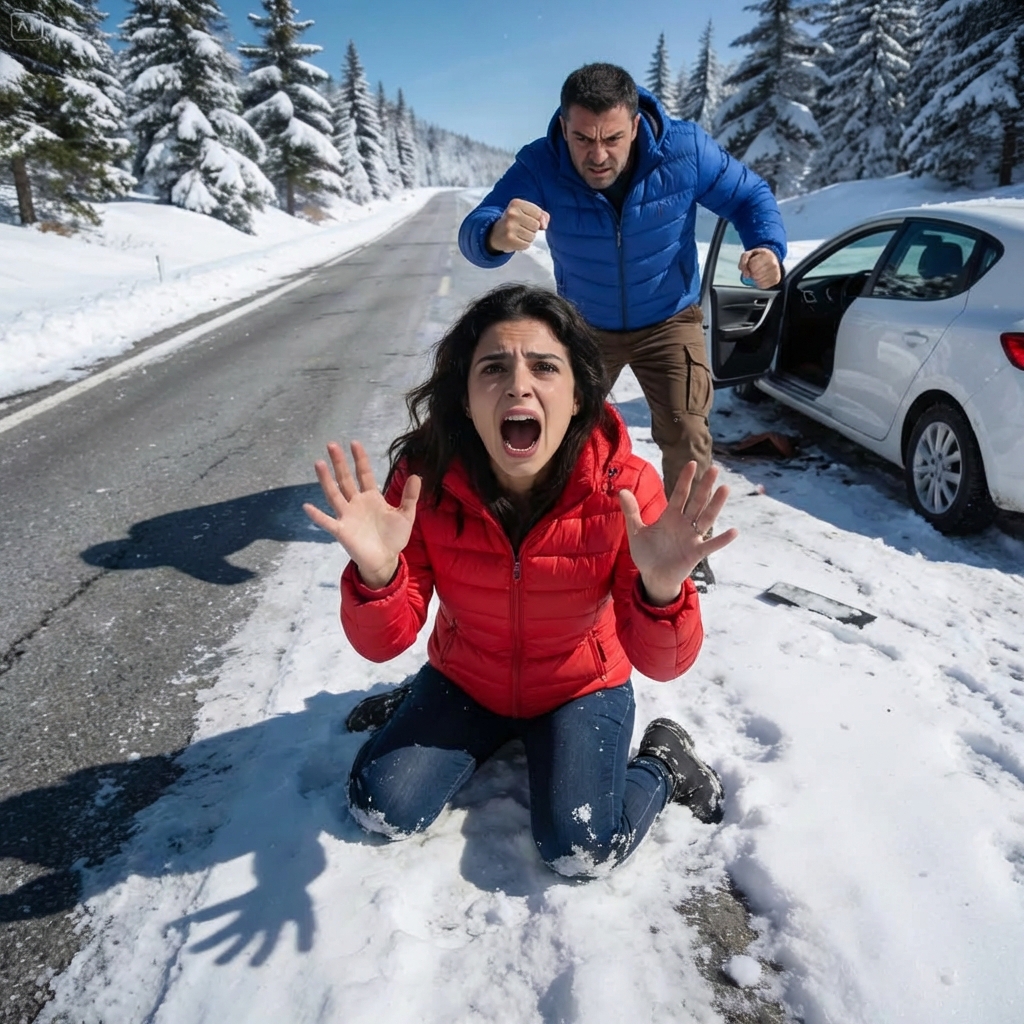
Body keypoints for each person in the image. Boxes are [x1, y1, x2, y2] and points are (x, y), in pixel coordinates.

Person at [303, 284, 738, 879]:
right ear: (464, 397)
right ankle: (422, 703)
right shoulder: (424, 481)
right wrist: (378, 575)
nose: (518, 384)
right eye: (493, 367)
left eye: (544, 366)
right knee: (382, 807)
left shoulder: (627, 488)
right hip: (467, 678)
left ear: (579, 394)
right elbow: (384, 640)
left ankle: (665, 762)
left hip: (580, 688)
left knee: (580, 848)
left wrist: (661, 590)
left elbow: (661, 663)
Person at [458, 63, 786, 590]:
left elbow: (749, 195)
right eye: (583, 138)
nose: (597, 154)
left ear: (635, 125)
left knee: (685, 428)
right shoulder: (541, 164)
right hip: (583, 325)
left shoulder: (684, 151)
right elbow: (477, 228)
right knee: (563, 430)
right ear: (564, 127)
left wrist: (767, 246)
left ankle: (686, 545)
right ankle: (549, 536)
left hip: (669, 316)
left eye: (612, 137)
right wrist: (496, 233)